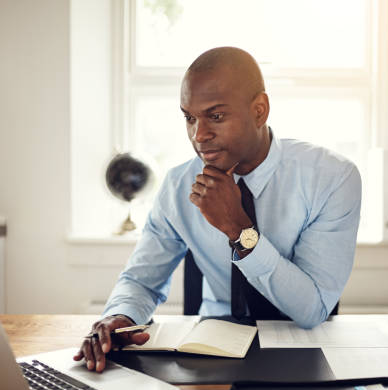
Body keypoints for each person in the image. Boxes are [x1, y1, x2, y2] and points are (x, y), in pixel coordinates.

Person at [74, 47, 361, 372]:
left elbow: (311, 310)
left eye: (216, 116)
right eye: (189, 117)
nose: (199, 135)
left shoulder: (332, 178)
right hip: (210, 350)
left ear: (259, 111)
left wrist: (240, 232)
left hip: (305, 350)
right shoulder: (177, 186)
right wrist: (120, 317)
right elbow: (142, 281)